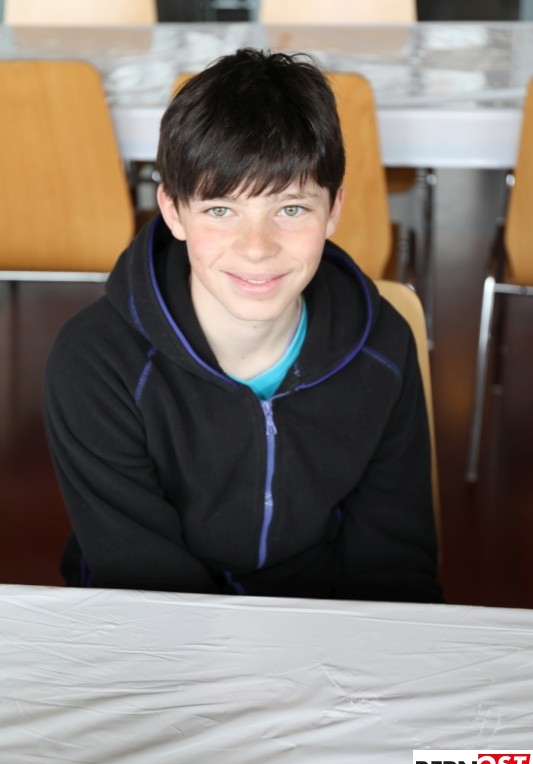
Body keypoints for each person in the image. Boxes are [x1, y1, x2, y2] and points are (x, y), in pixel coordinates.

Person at [43, 48, 443, 603]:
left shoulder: (383, 347)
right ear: (173, 211)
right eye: (220, 210)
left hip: (317, 614)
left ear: (333, 209)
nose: (257, 249)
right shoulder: (94, 362)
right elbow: (142, 581)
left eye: (291, 209)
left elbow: (393, 565)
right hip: (155, 624)